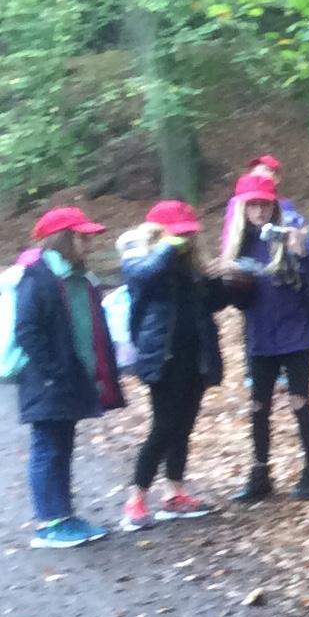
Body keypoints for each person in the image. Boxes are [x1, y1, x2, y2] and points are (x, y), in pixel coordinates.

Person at [117, 198, 244, 532]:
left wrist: (220, 279)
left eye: (188, 235)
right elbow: (143, 276)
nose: (185, 240)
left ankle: (174, 492)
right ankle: (136, 498)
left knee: (184, 426)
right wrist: (168, 248)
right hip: (162, 356)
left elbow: (211, 304)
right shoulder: (139, 257)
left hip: (195, 355)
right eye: (178, 234)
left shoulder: (190, 264)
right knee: (163, 427)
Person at [12, 206, 126, 549]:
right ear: (64, 239)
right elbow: (27, 330)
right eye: (82, 237)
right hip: (48, 382)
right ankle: (50, 523)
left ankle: (64, 516)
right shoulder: (37, 277)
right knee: (48, 448)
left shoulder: (78, 278)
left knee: (62, 448)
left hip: (69, 380)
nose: (88, 243)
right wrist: (53, 373)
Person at [221, 167, 309, 502]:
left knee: (300, 402)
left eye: (265, 204)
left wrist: (303, 254)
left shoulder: (289, 237)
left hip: (297, 332)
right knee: (258, 406)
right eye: (253, 205)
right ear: (243, 208)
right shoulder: (239, 246)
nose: (259, 211)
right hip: (260, 334)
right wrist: (231, 281)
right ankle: (260, 475)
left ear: (274, 206)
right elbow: (241, 304)